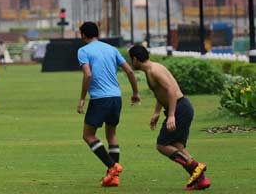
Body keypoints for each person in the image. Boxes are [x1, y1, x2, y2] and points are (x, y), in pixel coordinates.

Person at [129, 45, 211, 190]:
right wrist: (157, 112)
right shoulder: (154, 67)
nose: (131, 63)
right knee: (177, 146)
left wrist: (172, 115)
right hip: (182, 107)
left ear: (135, 59)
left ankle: (196, 166)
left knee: (162, 144)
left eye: (131, 59)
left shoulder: (153, 71)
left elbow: (171, 90)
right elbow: (161, 93)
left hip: (180, 108)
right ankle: (201, 180)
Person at [76, 22, 140, 187]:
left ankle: (112, 167)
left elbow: (88, 75)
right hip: (116, 98)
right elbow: (130, 71)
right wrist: (135, 93)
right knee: (111, 134)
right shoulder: (111, 49)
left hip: (99, 99)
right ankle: (113, 178)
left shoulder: (83, 51)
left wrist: (82, 98)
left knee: (88, 135)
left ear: (83, 35)